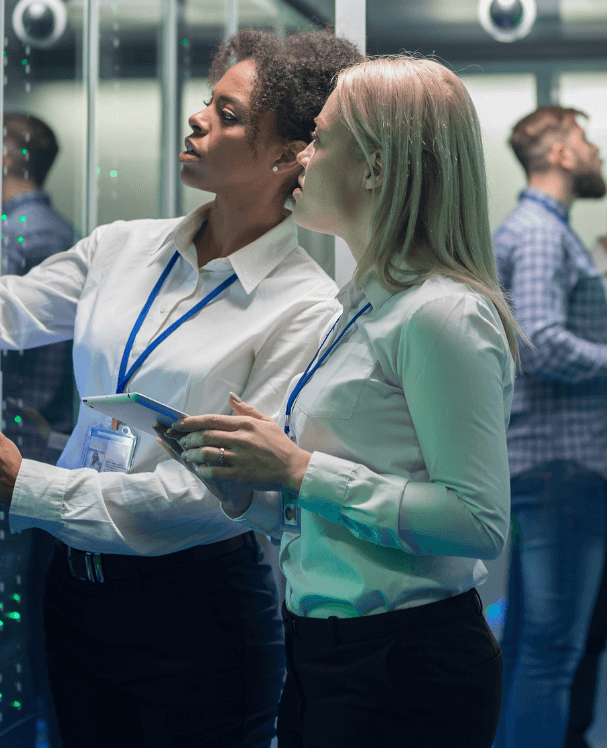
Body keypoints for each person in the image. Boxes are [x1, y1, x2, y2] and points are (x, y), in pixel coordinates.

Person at [0, 27, 363, 748]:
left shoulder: (304, 307)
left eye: (229, 114)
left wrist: (28, 485)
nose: (198, 118)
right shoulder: (122, 247)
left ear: (289, 154)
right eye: (206, 102)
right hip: (71, 592)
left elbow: (214, 500)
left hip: (198, 613)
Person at [168, 55, 519, 748]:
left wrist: (299, 470)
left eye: (321, 139)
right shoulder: (359, 308)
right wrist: (250, 486)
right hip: (323, 653)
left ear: (377, 169)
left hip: (404, 668)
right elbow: (337, 514)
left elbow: (478, 521)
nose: (301, 155)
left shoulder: (441, 315)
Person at [489, 106, 607, 748]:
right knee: (552, 656)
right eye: (588, 141)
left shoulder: (539, 229)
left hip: (550, 469)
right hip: (564, 469)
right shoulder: (539, 233)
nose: (597, 153)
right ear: (560, 153)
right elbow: (543, 343)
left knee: (534, 648)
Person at [0, 112, 77, 463]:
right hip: (54, 434)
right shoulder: (65, 231)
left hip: (13, 438)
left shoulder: (12, 233)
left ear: (2, 156)